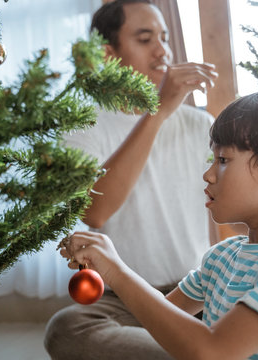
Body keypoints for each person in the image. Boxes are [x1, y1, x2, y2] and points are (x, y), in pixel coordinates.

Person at [58, 83, 258, 359]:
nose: (208, 173)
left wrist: (117, 269)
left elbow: (211, 352)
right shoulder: (223, 257)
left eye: (224, 160)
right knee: (65, 327)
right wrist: (107, 270)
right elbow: (159, 317)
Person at [44, 0, 220, 359]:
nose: (163, 51)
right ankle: (198, 351)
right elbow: (94, 211)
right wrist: (156, 114)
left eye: (164, 37)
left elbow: (219, 216)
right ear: (109, 54)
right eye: (145, 39)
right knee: (66, 329)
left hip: (197, 292)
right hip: (125, 300)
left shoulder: (201, 124)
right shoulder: (81, 125)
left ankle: (191, 346)